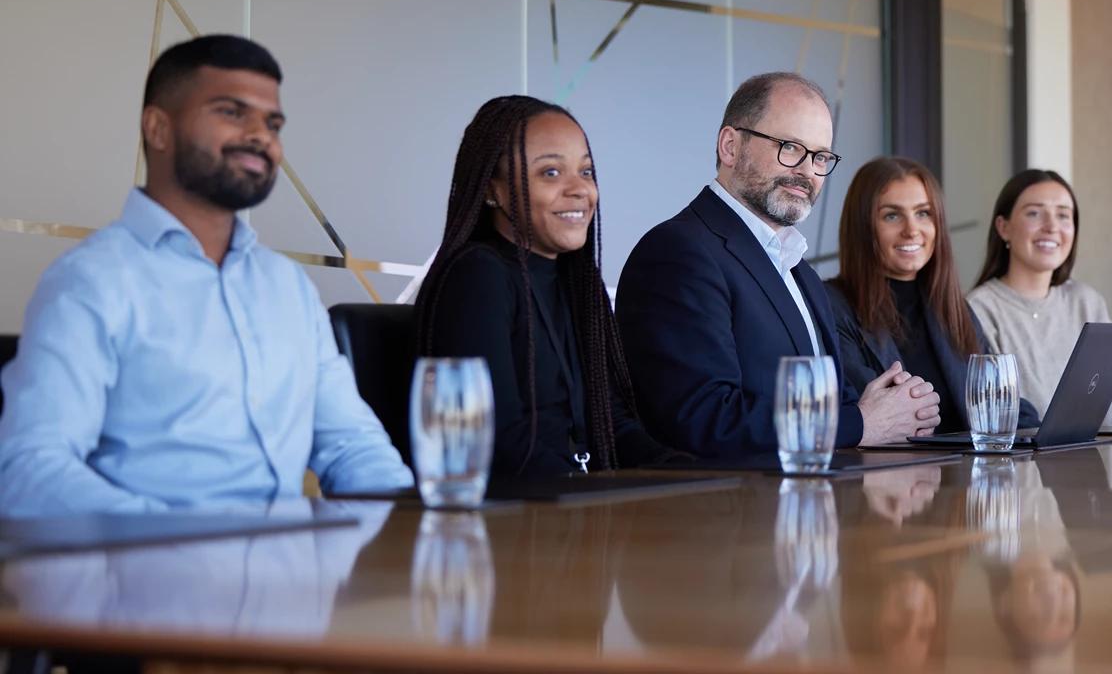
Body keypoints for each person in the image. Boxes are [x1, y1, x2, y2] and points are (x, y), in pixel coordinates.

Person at [0, 35, 412, 516]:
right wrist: (180, 539)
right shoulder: (90, 282)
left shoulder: (288, 287)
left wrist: (421, 528)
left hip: (288, 561)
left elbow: (353, 449)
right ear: (158, 128)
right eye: (232, 112)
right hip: (150, 561)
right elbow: (30, 472)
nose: (260, 135)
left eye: (273, 123)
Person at [616, 72, 940, 458]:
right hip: (731, 496)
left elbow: (834, 409)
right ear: (730, 146)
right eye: (790, 147)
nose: (807, 171)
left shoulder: (800, 272)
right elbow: (701, 420)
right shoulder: (677, 253)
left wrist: (883, 409)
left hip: (816, 491)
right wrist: (861, 423)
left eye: (820, 157)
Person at [411, 95, 674, 478]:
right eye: (551, 173)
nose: (579, 189)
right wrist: (591, 497)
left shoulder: (577, 281)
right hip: (523, 509)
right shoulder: (477, 276)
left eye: (586, 171)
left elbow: (612, 423)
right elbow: (500, 443)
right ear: (493, 190)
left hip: (581, 504)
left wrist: (685, 471)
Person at [825, 156, 1039, 431]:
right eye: (892, 216)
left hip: (967, 459)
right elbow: (868, 409)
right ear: (862, 227)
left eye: (923, 213)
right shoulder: (832, 306)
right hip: (893, 460)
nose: (912, 230)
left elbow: (1003, 403)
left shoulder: (953, 308)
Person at [967, 169, 1112, 425]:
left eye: (1063, 215)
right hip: (1023, 452)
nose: (1052, 227)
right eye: (1034, 213)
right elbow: (996, 418)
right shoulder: (978, 309)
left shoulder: (1087, 302)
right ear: (1004, 227)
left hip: (1110, 452)